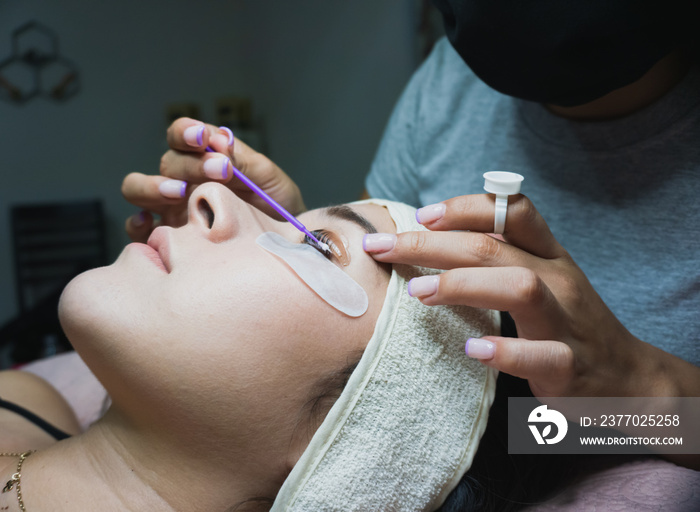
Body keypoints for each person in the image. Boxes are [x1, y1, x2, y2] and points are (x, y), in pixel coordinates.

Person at [121, 0, 699, 436]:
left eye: (315, 239)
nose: (209, 205)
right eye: (317, 242)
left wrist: (645, 394)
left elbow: (510, 444)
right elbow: (380, 319)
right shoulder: (453, 80)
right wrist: (279, 226)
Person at [1, 186, 508, 510]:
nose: (213, 194)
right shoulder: (22, 398)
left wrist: (590, 414)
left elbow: (556, 435)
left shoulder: (583, 422)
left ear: (353, 449)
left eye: (318, 244)